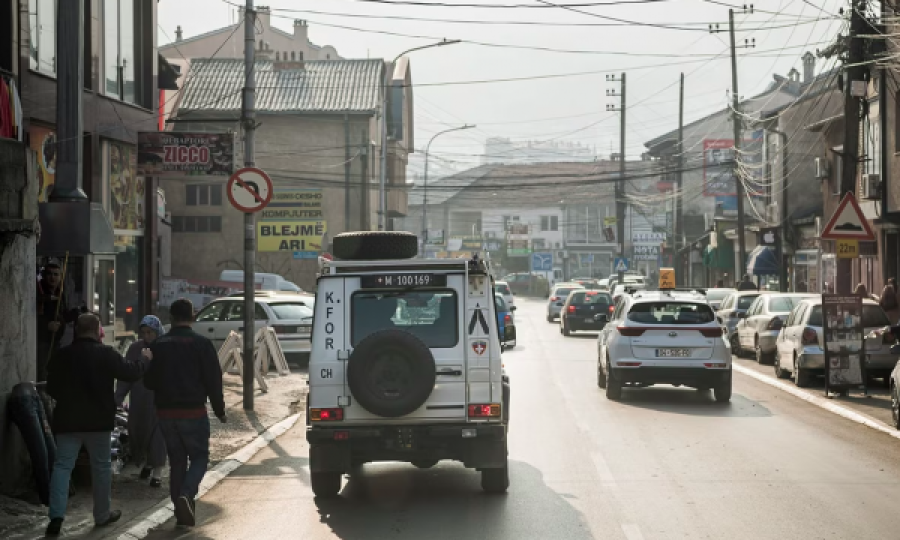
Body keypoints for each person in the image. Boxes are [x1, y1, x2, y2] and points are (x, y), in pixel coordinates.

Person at [45, 313, 150, 536]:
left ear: (76, 330)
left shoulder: (62, 355)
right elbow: (130, 372)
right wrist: (145, 360)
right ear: (97, 329)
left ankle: (56, 517)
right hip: (98, 423)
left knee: (62, 467)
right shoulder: (106, 354)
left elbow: (51, 388)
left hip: (67, 421)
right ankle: (102, 515)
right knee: (101, 467)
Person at [144, 299, 226, 527]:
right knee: (199, 457)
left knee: (177, 460)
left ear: (170, 317)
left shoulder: (158, 345)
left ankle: (180, 513)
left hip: (166, 414)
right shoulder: (202, 344)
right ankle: (186, 495)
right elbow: (213, 381)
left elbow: (149, 382)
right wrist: (220, 410)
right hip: (193, 412)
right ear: (193, 317)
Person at [115, 316, 168, 488]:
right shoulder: (135, 348)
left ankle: (157, 472)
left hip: (160, 399)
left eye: (150, 332)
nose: (147, 336)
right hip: (139, 399)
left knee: (158, 436)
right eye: (144, 332)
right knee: (139, 433)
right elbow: (127, 375)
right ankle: (148, 463)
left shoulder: (166, 347)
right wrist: (119, 396)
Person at [36, 259, 80, 382]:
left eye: (56, 274)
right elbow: (32, 317)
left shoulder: (60, 292)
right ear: (44, 276)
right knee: (43, 372)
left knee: (56, 371)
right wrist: (46, 325)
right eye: (50, 274)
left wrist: (75, 313)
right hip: (42, 341)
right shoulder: (39, 292)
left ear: (61, 277)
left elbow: (62, 315)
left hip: (56, 340)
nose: (52, 278)